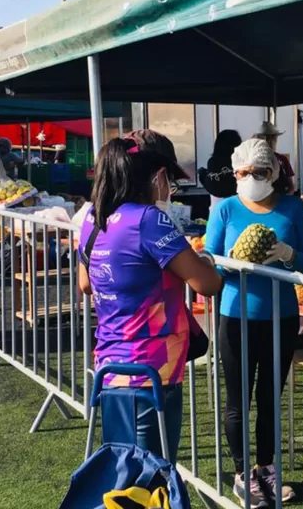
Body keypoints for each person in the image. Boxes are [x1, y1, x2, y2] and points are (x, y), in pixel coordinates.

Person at [77, 135, 222, 465]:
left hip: (110, 368)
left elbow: (84, 284)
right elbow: (207, 283)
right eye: (169, 179)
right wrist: (208, 261)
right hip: (152, 370)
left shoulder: (92, 218)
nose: (170, 187)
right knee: (148, 476)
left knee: (122, 473)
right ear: (157, 176)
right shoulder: (147, 220)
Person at [204, 138, 303, 507]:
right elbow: (211, 260)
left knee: (270, 399)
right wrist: (229, 261)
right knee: (238, 400)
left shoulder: (294, 209)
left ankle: (266, 468)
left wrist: (287, 254)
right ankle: (241, 474)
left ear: (275, 172)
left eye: (260, 171)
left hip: (281, 317)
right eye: (244, 172)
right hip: (236, 317)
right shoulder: (226, 210)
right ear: (236, 173)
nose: (252, 177)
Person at [198, 129, 241, 208]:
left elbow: (211, 186)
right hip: (239, 208)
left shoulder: (212, 162)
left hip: (216, 211)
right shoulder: (241, 163)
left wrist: (202, 173)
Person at [253, 121, 296, 195]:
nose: (270, 141)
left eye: (272, 138)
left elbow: (291, 186)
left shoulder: (282, 159)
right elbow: (291, 186)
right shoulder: (254, 159)